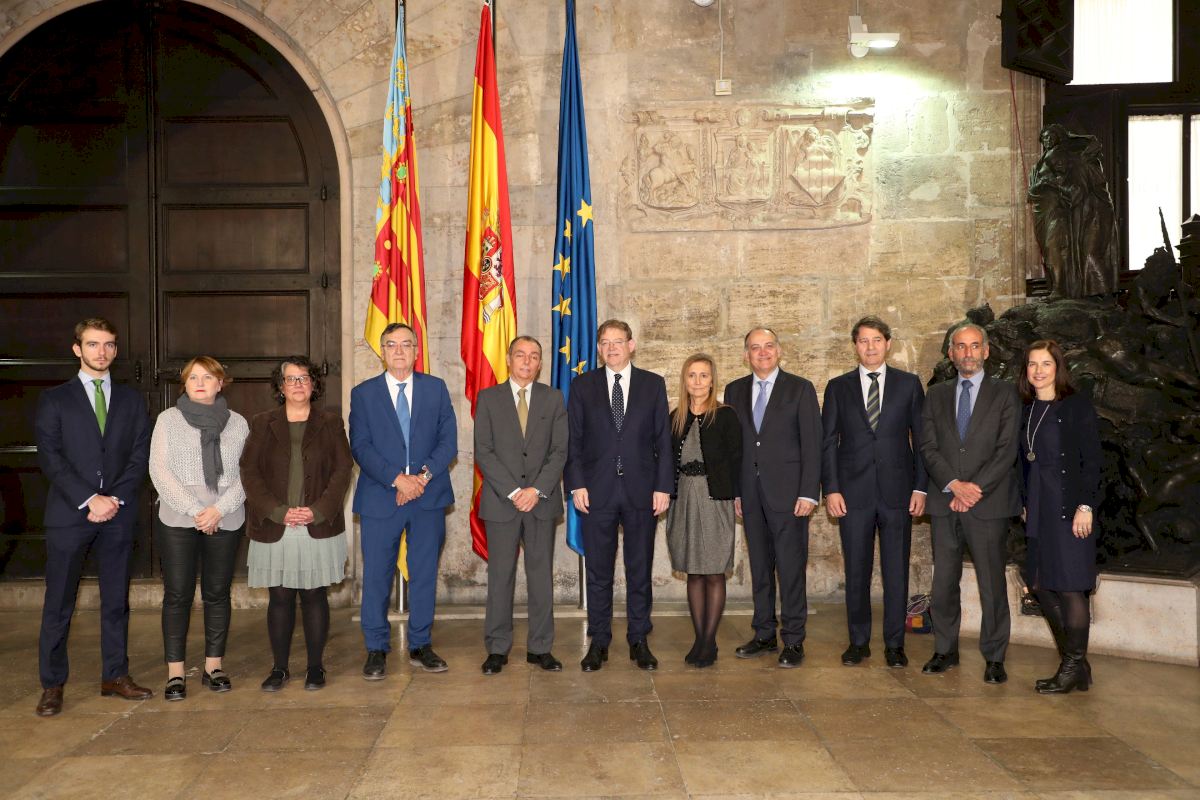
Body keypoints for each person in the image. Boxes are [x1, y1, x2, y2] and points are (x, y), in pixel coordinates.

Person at [34, 318, 152, 717]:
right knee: (59, 603)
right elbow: (50, 457)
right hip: (69, 515)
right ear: (77, 349)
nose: (102, 352)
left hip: (118, 513)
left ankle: (114, 675)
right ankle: (52, 684)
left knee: (116, 600)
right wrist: (89, 499)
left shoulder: (132, 400)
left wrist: (113, 498)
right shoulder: (55, 399)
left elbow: (140, 455)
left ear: (116, 350)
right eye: (93, 344)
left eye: (109, 345)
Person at [565, 319, 673, 672]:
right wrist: (577, 484)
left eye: (617, 341)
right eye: (605, 342)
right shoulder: (582, 386)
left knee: (639, 569)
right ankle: (599, 640)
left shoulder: (652, 384)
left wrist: (663, 486)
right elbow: (573, 440)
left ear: (631, 345)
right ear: (598, 349)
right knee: (598, 572)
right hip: (596, 493)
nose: (611, 348)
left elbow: (663, 440)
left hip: (642, 492)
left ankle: (639, 639)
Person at [240, 356, 353, 692]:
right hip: (276, 525)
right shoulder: (262, 423)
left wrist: (318, 510)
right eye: (291, 379)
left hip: (317, 523)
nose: (298, 384)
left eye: (304, 378)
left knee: (315, 595)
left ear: (314, 384)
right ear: (280, 386)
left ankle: (315, 668)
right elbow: (249, 471)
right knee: (280, 597)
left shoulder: (331, 423)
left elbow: (342, 470)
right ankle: (279, 668)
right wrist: (277, 511)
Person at [350, 323, 457, 676]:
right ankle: (376, 648)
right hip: (381, 497)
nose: (399, 351)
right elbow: (360, 446)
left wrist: (420, 479)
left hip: (427, 497)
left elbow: (448, 441)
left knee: (424, 575)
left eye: (406, 344)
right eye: (392, 345)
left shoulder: (435, 388)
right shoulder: (364, 393)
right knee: (377, 576)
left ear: (416, 350)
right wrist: (397, 479)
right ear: (382, 351)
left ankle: (421, 644)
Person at [821, 317, 927, 668]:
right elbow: (827, 442)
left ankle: (895, 644)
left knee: (896, 571)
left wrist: (920, 487)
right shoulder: (838, 387)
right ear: (855, 346)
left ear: (888, 344)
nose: (870, 347)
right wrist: (831, 489)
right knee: (857, 571)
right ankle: (858, 642)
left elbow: (922, 441)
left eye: (876, 340)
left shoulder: (909, 385)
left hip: (899, 493)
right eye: (863, 341)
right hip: (852, 495)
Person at [919, 322, 1020, 684]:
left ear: (986, 351)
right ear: (951, 353)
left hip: (987, 503)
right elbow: (928, 446)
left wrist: (975, 488)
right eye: (960, 346)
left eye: (975, 346)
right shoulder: (935, 395)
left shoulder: (1005, 393)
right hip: (946, 501)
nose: (968, 353)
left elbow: (1006, 449)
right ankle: (945, 649)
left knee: (992, 583)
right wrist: (954, 485)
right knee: (944, 582)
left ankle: (994, 656)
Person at [149, 357, 249, 700]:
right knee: (177, 594)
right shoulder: (168, 420)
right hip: (179, 517)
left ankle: (213, 667)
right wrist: (196, 511)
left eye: (208, 377)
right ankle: (176, 673)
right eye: (194, 377)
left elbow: (247, 473)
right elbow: (159, 470)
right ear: (185, 384)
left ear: (221, 383)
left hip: (226, 515)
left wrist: (218, 509)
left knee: (217, 593)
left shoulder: (238, 423)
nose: (201, 383)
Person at [724, 327, 822, 668]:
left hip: (790, 495)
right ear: (746, 355)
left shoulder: (800, 389)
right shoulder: (734, 390)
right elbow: (734, 447)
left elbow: (813, 444)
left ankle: (793, 639)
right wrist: (736, 491)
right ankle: (764, 633)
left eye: (768, 346)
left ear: (779, 351)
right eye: (755, 347)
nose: (762, 352)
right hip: (751, 495)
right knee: (760, 568)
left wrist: (809, 492)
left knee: (791, 569)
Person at [474, 336, 568, 675]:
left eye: (534, 356)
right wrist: (515, 491)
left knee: (540, 577)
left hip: (540, 503)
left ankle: (540, 648)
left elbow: (560, 451)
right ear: (508, 359)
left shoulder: (553, 398)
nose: (527, 361)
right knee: (501, 576)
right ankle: (497, 648)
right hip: (502, 502)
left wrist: (536, 491)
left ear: (540, 363)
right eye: (520, 355)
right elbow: (483, 451)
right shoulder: (488, 398)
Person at [1018, 340, 1102, 694]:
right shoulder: (1027, 408)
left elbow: (1093, 460)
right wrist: (1025, 501)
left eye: (1046, 364)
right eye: (1032, 364)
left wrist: (1086, 506)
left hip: (1069, 508)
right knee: (1039, 584)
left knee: (1069, 586)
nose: (1038, 371)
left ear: (1058, 368)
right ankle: (1077, 664)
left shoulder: (1076, 405)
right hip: (1039, 507)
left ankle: (1071, 666)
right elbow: (1024, 462)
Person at [666, 354, 741, 668]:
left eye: (704, 375)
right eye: (692, 375)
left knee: (713, 570)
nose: (697, 381)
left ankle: (709, 642)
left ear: (712, 381)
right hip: (683, 498)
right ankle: (699, 638)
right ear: (685, 380)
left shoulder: (725, 415)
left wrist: (739, 496)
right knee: (693, 571)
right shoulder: (675, 417)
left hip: (715, 499)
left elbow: (737, 458)